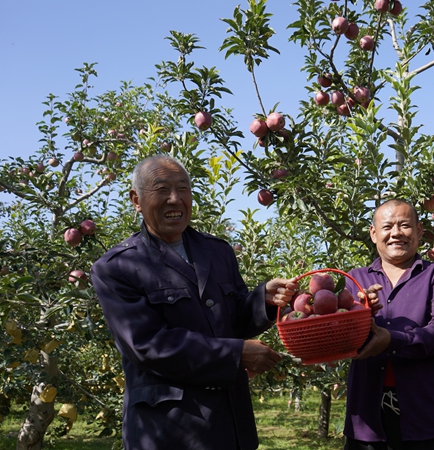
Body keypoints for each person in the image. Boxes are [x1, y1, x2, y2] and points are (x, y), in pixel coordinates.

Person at [91, 154, 298, 450]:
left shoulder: (217, 251)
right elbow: (147, 344)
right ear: (136, 200)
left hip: (231, 425)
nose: (175, 199)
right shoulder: (117, 267)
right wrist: (234, 354)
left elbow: (230, 321)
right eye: (162, 189)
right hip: (170, 431)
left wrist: (262, 300)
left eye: (183, 189)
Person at [342, 198, 434, 450]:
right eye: (387, 227)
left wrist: (393, 340)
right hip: (366, 417)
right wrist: (360, 313)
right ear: (374, 234)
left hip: (424, 413)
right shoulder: (355, 279)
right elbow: (343, 336)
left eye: (404, 225)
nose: (396, 233)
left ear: (419, 231)